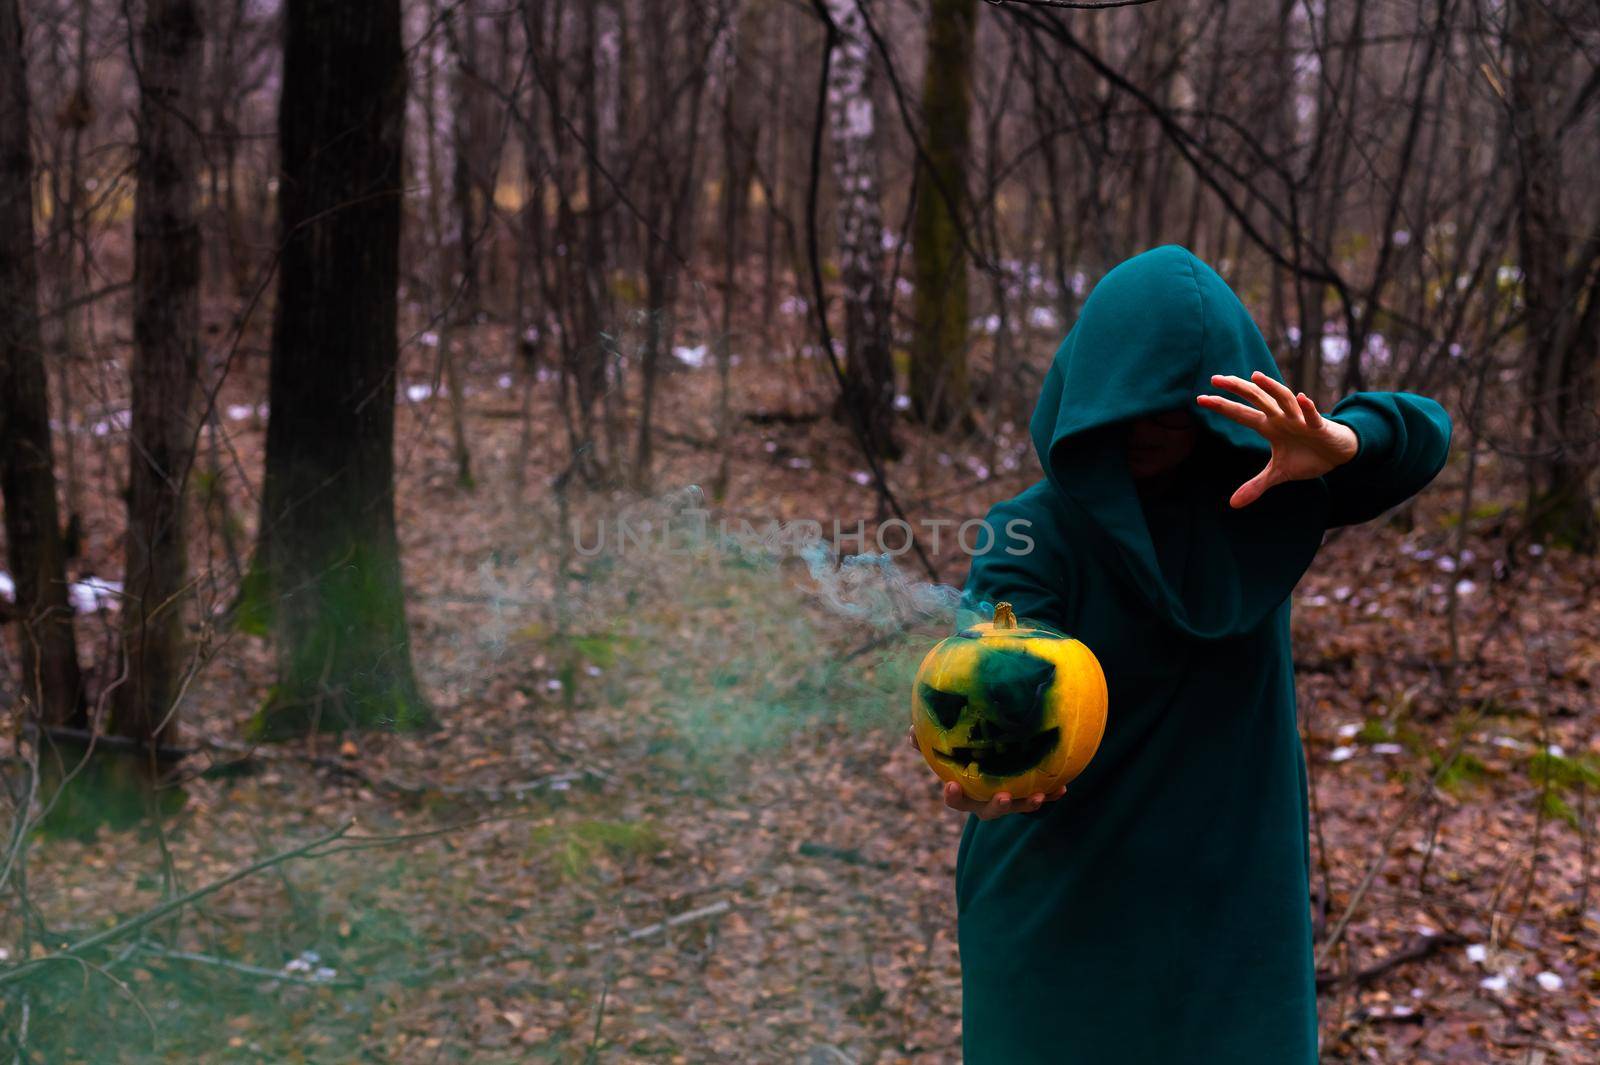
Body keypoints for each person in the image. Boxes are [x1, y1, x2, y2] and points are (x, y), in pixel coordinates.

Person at [935, 246, 1451, 1063]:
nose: (1148, 427)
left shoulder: (1264, 495)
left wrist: (1340, 443)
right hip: (1062, 919)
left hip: (1233, 925)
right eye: (1127, 401)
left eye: (1175, 406)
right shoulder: (1029, 532)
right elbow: (992, 671)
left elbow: (1425, 431)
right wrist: (988, 771)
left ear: (1220, 407)